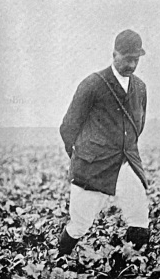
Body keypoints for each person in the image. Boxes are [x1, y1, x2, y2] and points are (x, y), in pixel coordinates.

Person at [57, 29, 151, 257]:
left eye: (136, 59)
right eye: (127, 58)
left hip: (126, 162)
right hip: (93, 165)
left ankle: (130, 268)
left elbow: (138, 125)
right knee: (80, 223)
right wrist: (83, 157)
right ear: (114, 54)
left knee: (140, 218)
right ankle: (58, 261)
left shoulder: (140, 88)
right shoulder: (92, 84)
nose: (131, 64)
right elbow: (68, 127)